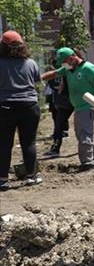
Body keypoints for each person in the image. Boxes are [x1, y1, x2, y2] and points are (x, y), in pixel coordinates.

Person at [40, 47, 94, 171]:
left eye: (64, 62)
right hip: (78, 107)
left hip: (89, 106)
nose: (64, 65)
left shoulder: (88, 68)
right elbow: (54, 74)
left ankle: (88, 163)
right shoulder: (68, 69)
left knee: (84, 135)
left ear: (72, 57)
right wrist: (39, 78)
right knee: (81, 134)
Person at [0, 31, 42, 191]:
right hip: (29, 106)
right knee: (29, 142)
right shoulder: (30, 63)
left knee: (4, 144)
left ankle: (3, 180)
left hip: (5, 106)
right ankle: (32, 176)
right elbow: (37, 81)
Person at [43, 70, 73, 157]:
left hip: (76, 101)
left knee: (83, 129)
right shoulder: (61, 72)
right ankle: (55, 148)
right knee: (58, 126)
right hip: (64, 102)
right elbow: (58, 86)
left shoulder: (76, 71)